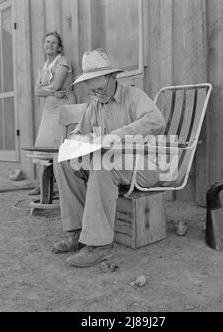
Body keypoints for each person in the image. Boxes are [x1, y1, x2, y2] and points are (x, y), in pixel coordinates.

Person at [53, 49, 166, 268]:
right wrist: (82, 143)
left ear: (112, 78)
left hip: (143, 165)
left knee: (103, 164)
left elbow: (156, 120)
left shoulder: (134, 96)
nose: (97, 94)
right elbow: (77, 132)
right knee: (65, 163)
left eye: (100, 89)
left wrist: (116, 136)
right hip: (111, 163)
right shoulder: (95, 103)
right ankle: (78, 232)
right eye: (92, 91)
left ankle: (100, 245)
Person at [29, 32, 76, 196]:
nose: (49, 45)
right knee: (44, 146)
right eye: (47, 42)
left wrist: (47, 91)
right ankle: (45, 185)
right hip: (50, 109)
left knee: (59, 147)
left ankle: (63, 187)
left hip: (63, 106)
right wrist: (49, 93)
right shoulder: (44, 66)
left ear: (59, 47)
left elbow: (56, 86)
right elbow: (36, 91)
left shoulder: (62, 63)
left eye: (54, 43)